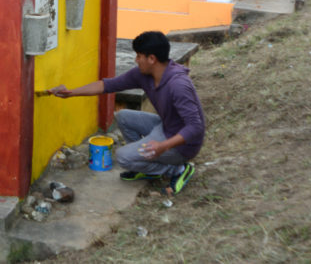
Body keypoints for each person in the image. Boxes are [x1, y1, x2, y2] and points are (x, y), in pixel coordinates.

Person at [50, 31, 205, 195]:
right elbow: (107, 85)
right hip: (166, 127)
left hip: (183, 145)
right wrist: (71, 93)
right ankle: (144, 163)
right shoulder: (144, 74)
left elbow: (195, 127)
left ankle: (177, 169)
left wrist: (162, 146)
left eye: (139, 56)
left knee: (123, 157)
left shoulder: (178, 85)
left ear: (152, 59)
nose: (136, 60)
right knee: (122, 116)